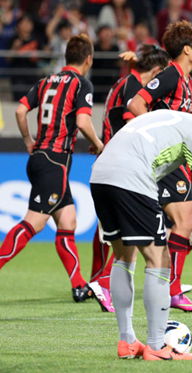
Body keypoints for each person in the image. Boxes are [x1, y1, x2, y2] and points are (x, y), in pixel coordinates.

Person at [90, 108, 192, 360]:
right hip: (131, 177)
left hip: (100, 175)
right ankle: (157, 346)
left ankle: (127, 342)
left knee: (123, 258)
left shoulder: (169, 119)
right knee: (159, 260)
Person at [0, 35, 104, 302]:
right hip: (55, 162)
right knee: (33, 222)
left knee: (67, 220)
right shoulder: (82, 83)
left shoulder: (46, 81)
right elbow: (82, 121)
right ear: (89, 59)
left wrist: (28, 140)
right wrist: (99, 144)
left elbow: (20, 111)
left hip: (40, 158)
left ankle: (79, 285)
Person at [129, 20, 192, 312]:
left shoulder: (186, 81)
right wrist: (153, 137)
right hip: (164, 159)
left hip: (175, 161)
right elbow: (136, 103)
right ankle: (172, 290)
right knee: (184, 223)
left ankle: (169, 287)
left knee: (180, 226)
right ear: (186, 49)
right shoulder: (171, 75)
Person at [88, 45, 170, 313]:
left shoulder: (122, 82)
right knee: (124, 230)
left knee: (108, 227)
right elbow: (127, 118)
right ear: (156, 71)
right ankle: (102, 281)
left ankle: (98, 280)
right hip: (122, 163)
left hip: (109, 156)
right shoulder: (134, 87)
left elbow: (111, 116)